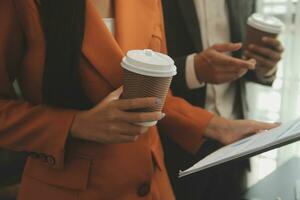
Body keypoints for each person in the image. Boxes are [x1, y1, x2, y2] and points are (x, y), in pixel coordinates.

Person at [0, 0, 277, 199]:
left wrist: (220, 126)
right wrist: (73, 124)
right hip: (69, 188)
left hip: (154, 185)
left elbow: (156, 96)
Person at [161, 0, 284, 199]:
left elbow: (246, 61)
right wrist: (193, 70)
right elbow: (137, 65)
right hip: (176, 149)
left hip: (237, 149)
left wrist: (265, 66)